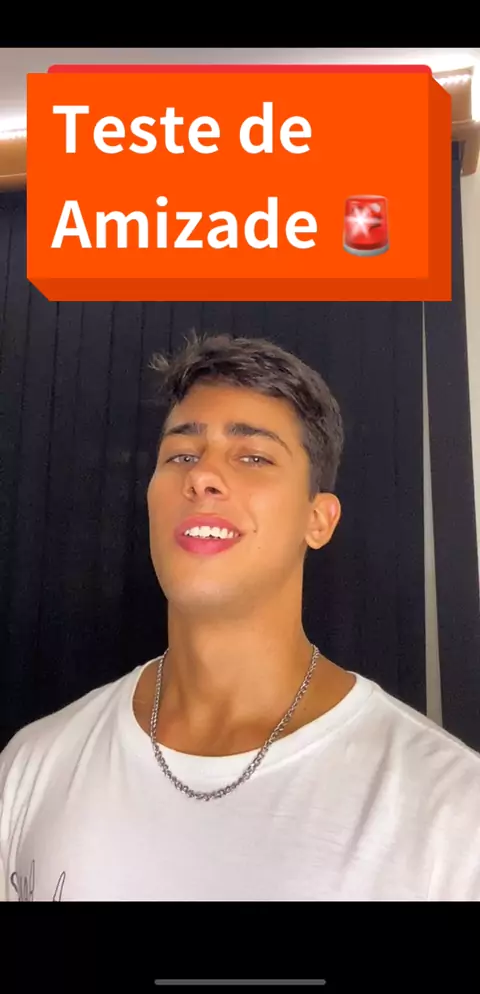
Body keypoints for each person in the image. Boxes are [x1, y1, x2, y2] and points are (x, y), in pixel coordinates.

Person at [1, 332, 479, 903]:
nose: (201, 476)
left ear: (318, 520)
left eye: (253, 457)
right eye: (181, 454)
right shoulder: (32, 766)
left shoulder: (451, 810)